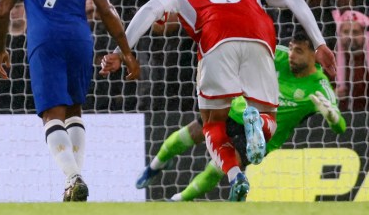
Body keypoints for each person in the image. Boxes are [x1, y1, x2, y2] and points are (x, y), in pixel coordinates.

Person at [101, 0, 336, 202]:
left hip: (217, 42)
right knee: (268, 115)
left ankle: (235, 176)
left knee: (212, 123)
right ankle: (256, 127)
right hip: (260, 40)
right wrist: (320, 44)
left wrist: (123, 52)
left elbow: (149, 10)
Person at [0, 0, 139, 202]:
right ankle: (73, 182)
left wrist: (0, 49)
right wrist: (126, 51)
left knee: (51, 114)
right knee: (74, 110)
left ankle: (73, 177)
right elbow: (107, 10)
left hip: (44, 39)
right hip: (79, 38)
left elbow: (1, 11)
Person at [137, 30, 346, 201]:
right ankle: (154, 166)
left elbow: (341, 128)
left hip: (262, 137)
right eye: (291, 48)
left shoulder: (319, 87)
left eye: (299, 51)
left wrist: (332, 118)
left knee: (220, 168)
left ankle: (178, 200)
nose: (292, 55)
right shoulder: (278, 55)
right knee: (189, 134)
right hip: (235, 110)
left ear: (313, 55)